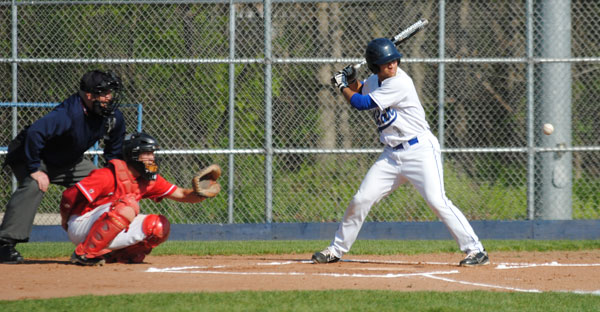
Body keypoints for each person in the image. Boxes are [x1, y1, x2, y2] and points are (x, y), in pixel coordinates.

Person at [312, 38, 489, 267]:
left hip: (420, 151)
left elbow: (361, 103)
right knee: (361, 198)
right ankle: (336, 249)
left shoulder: (400, 82)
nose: (392, 65)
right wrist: (350, 80)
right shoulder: (374, 81)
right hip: (391, 155)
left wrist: (340, 85)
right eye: (386, 63)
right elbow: (359, 90)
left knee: (437, 201)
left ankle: (476, 250)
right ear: (375, 66)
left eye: (394, 60)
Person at [0, 70, 126, 264]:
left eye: (111, 92)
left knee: (103, 182)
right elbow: (35, 133)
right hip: (33, 156)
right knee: (34, 186)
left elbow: (114, 151)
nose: (109, 97)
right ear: (89, 95)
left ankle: (97, 242)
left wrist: (113, 174)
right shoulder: (68, 114)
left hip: (69, 161)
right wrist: (35, 169)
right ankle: (4, 243)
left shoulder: (111, 117)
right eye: (104, 93)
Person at [60, 132, 221, 266]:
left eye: (153, 153)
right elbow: (69, 196)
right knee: (129, 205)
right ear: (133, 154)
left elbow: (182, 195)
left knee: (158, 226)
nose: (152, 158)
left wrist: (201, 192)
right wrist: (66, 222)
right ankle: (84, 254)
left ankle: (115, 255)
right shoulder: (107, 175)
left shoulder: (149, 180)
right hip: (81, 224)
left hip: (110, 221)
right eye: (147, 153)